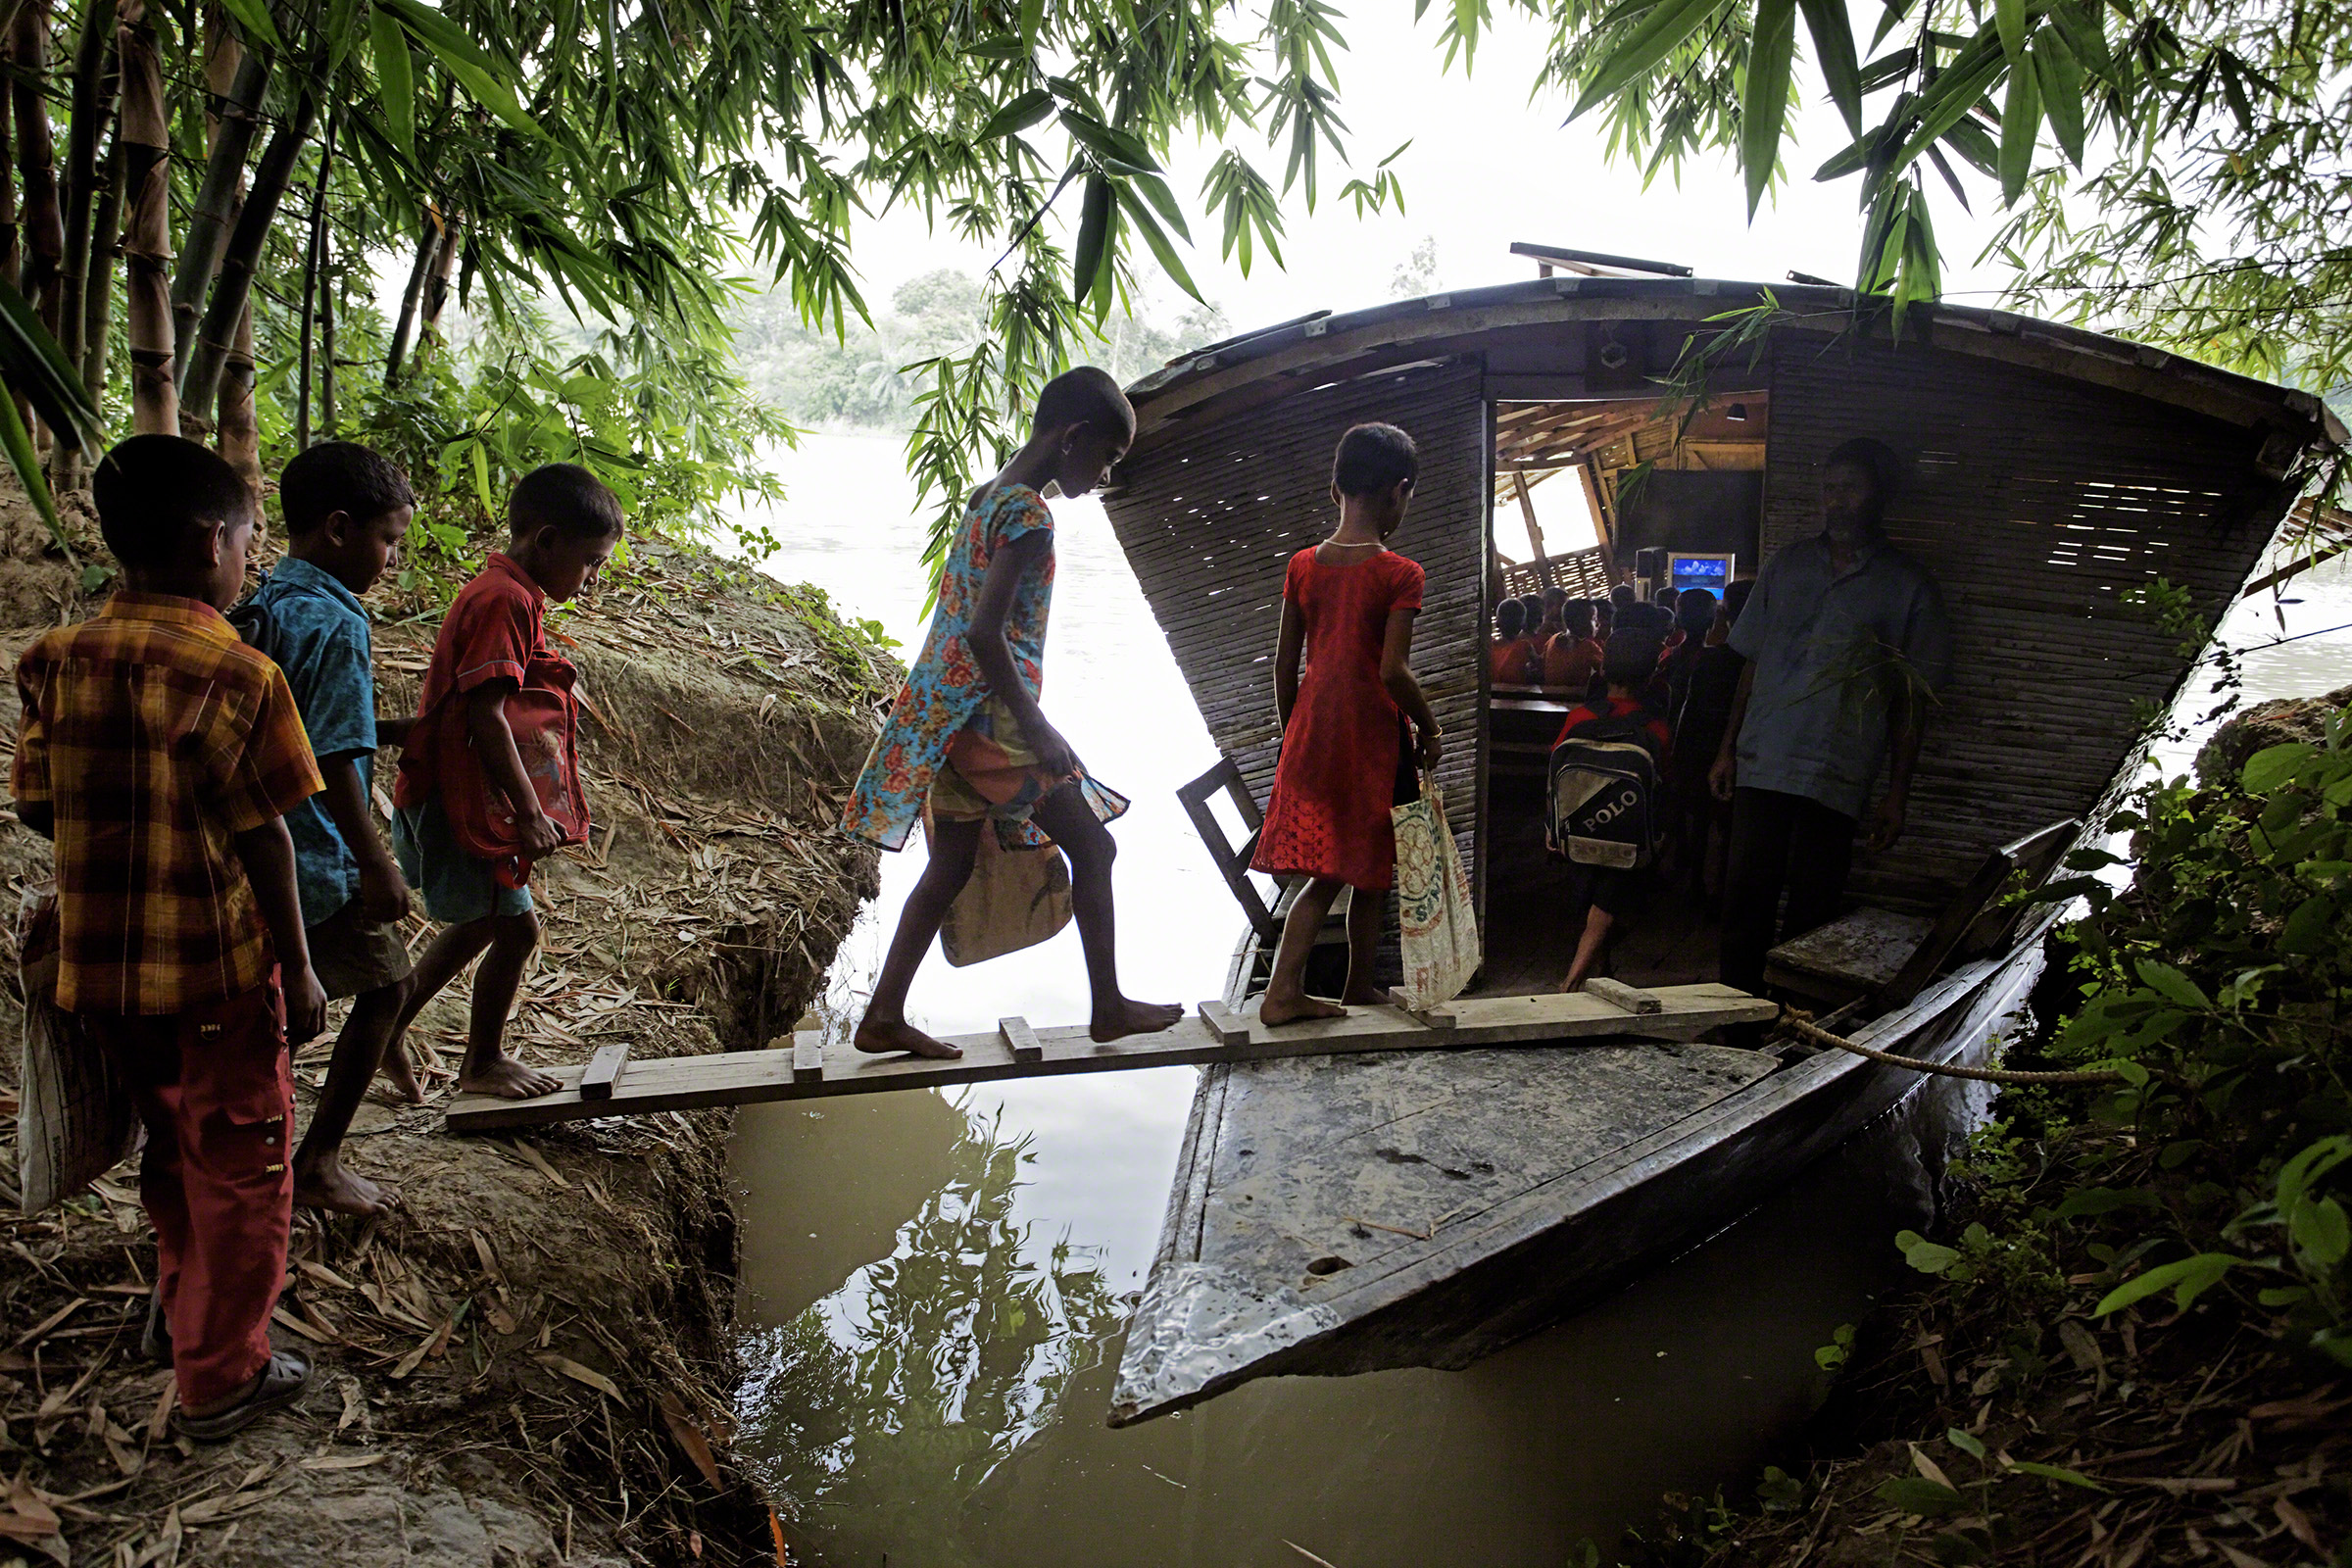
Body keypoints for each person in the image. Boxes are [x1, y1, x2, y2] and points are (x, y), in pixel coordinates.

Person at [15, 435, 327, 1438]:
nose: (251, 557)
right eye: (249, 539)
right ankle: (223, 1375)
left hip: (101, 972)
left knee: (171, 1142)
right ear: (209, 543)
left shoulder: (52, 660)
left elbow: (37, 810)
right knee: (243, 1164)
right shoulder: (238, 674)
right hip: (215, 978)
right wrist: (303, 966)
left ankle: (180, 1314)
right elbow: (268, 833)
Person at [842, 367, 1181, 1058]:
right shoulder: (1029, 516)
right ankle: (1109, 1006)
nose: (1107, 476)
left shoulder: (984, 498)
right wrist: (1039, 729)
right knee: (1095, 845)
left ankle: (881, 1016)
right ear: (1073, 436)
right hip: (992, 721)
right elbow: (984, 632)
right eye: (1108, 458)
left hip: (946, 714)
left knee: (950, 868)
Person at [387, 464, 622, 1099]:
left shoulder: (509, 592)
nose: (592, 577)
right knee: (512, 928)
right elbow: (486, 714)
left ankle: (392, 1029)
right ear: (546, 540)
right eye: (591, 561)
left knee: (493, 925)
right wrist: (527, 810)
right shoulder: (505, 600)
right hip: (459, 795)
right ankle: (479, 1062)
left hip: (452, 788)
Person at [1710, 439, 1952, 995]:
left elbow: (1911, 700)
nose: (1837, 501)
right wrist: (1727, 749)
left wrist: (1897, 794)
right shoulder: (1786, 566)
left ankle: (1794, 1025)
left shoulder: (1907, 585)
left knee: (1814, 911)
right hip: (1764, 759)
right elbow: (1751, 663)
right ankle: (1735, 1015)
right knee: (1744, 898)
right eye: (1830, 489)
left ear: (1880, 496)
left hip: (1838, 771)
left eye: (1852, 488)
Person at [247, 442, 417, 1215]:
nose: (390, 559)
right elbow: (337, 763)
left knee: (275, 1005)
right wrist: (377, 863)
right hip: (316, 853)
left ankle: (253, 1147)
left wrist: (395, 727)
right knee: (387, 986)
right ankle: (313, 1161)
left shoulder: (266, 601)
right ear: (341, 529)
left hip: (260, 844)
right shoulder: (336, 626)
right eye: (388, 541)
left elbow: (305, 728)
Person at [1250, 423, 1443, 1025]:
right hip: (1372, 740)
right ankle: (1283, 993)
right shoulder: (1399, 573)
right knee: (1337, 871)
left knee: (1367, 862)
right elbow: (1393, 671)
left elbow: (1286, 664)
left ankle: (1358, 987)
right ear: (1399, 491)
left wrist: (1293, 734)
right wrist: (1430, 726)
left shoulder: (1303, 565)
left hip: (1313, 729)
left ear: (1336, 490)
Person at [1552, 625, 1673, 995]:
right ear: (1651, 676)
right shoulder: (1656, 729)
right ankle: (1576, 977)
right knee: (1618, 879)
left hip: (1577, 834)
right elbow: (1663, 786)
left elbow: (1555, 774)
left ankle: (1579, 972)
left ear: (1603, 670)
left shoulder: (1578, 719)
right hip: (1630, 843)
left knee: (1596, 886)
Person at [1671, 579, 1751, 899]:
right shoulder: (1767, 664)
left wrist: (1679, 757)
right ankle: (1724, 887)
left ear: (1725, 615)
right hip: (1746, 755)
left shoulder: (1712, 660)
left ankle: (1696, 882)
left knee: (1701, 820)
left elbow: (1689, 713)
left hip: (1702, 750)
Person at [1542, 598, 1603, 693]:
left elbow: (1543, 662)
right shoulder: (1588, 646)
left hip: (1550, 696)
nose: (1598, 624)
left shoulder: (1553, 639)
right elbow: (1606, 670)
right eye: (1594, 619)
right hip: (1574, 698)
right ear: (1581, 622)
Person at [1489, 597, 1539, 685]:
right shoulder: (1524, 647)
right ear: (1523, 625)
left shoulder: (1488, 646)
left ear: (1497, 623)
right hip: (1516, 697)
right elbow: (1541, 668)